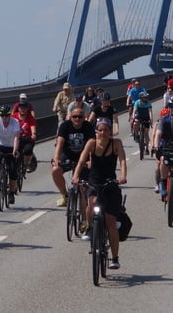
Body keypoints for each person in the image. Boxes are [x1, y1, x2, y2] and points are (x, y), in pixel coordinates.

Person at [73, 118, 127, 269]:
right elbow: (82, 160)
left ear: (111, 131)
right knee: (92, 202)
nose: (103, 133)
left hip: (110, 182)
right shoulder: (92, 143)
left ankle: (115, 258)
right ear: (97, 130)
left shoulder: (116, 143)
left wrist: (122, 176)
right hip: (94, 181)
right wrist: (76, 176)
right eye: (100, 130)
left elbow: (122, 160)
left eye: (106, 130)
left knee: (110, 221)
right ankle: (91, 228)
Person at [51, 106, 95, 207]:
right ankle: (64, 195)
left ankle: (84, 216)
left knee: (82, 187)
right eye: (75, 116)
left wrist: (91, 160)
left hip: (84, 157)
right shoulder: (65, 126)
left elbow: (92, 145)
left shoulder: (88, 126)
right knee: (55, 170)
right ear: (70, 117)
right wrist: (56, 158)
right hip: (68, 156)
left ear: (84, 118)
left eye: (80, 117)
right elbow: (60, 143)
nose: (77, 119)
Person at [0, 104, 21, 205]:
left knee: (12, 172)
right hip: (1, 144)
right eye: (2, 115)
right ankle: (0, 173)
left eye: (7, 115)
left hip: (12, 146)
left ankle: (11, 193)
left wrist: (15, 150)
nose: (4, 118)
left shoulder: (15, 122)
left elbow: (16, 137)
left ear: (10, 115)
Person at [14, 99, 38, 172]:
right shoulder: (13, 117)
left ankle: (26, 164)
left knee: (28, 150)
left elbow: (32, 127)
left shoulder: (30, 118)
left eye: (24, 108)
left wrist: (33, 134)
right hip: (16, 138)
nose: (22, 109)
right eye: (21, 108)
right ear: (18, 109)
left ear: (27, 109)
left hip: (27, 139)